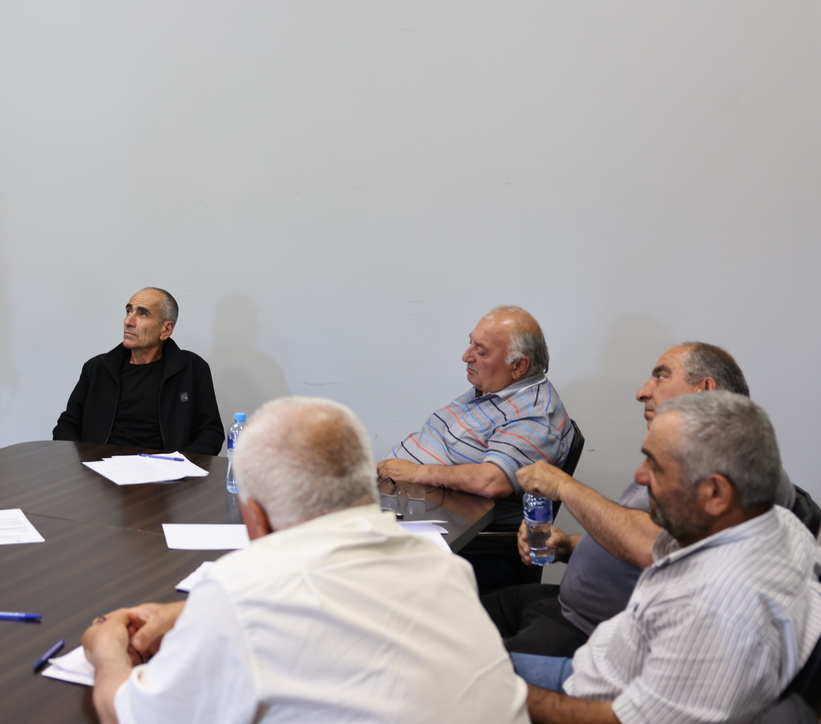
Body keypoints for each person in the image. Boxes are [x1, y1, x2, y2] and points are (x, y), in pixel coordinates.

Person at [81, 396, 528, 724]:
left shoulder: (240, 590)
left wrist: (106, 654)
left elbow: (129, 714)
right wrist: (189, 614)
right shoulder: (443, 568)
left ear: (253, 517)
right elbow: (338, 601)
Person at [484, 342, 820, 657]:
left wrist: (564, 486)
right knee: (458, 613)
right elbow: (635, 529)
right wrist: (568, 546)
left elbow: (653, 547)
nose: (642, 392)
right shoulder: (682, 457)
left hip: (596, 636)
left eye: (661, 376)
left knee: (468, 669)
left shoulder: (733, 466)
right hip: (561, 606)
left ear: (704, 390)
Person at [518, 391, 821, 724]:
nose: (640, 476)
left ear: (715, 493)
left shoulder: (710, 610)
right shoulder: (775, 522)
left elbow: (620, 720)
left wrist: (504, 693)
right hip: (603, 666)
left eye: (656, 465)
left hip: (595, 698)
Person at [376, 305, 575, 590]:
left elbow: (492, 481)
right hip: (409, 507)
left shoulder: (534, 414)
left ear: (519, 366)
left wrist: (416, 472)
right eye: (471, 343)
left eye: (481, 352)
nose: (466, 356)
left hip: (464, 542)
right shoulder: (497, 388)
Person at [52, 288, 223, 455]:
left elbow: (211, 433)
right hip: (100, 467)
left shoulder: (191, 369)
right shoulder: (98, 368)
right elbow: (67, 425)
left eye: (143, 314)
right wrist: (84, 460)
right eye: (128, 311)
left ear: (166, 330)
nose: (128, 321)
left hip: (166, 470)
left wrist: (181, 464)